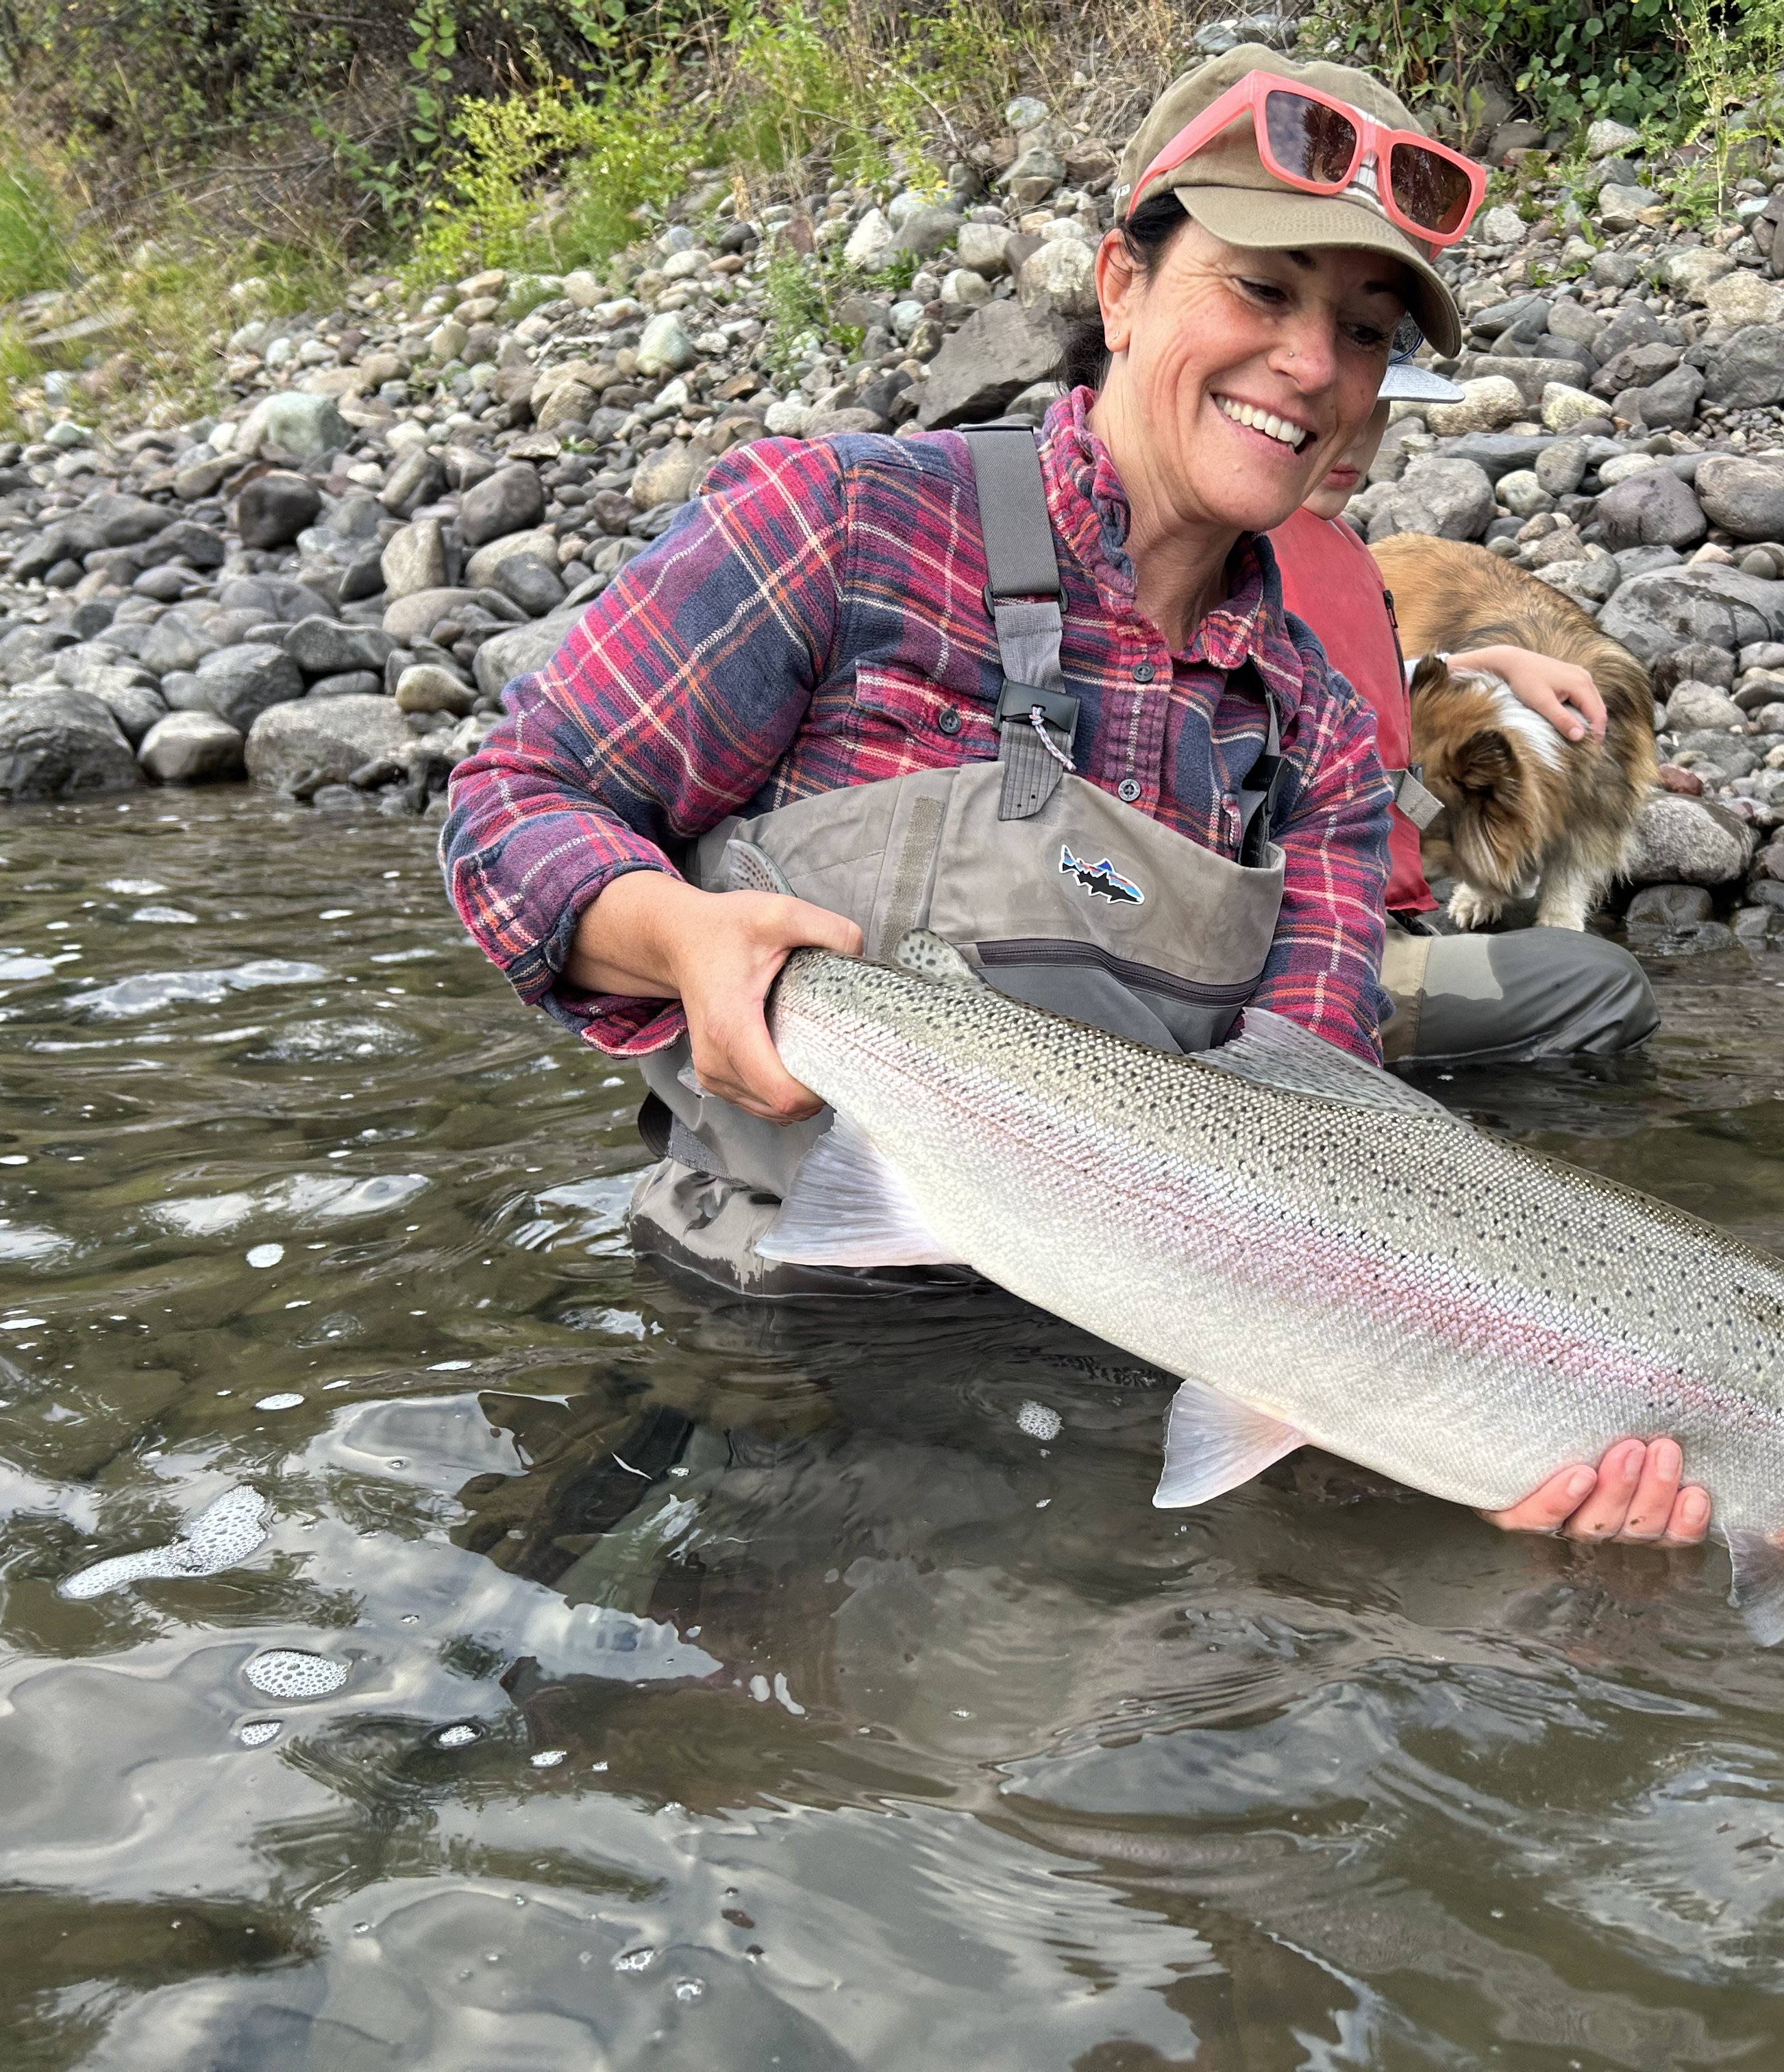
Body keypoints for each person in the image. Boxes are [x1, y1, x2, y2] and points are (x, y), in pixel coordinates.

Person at [441, 43, 1707, 1549]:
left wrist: (1484, 1423)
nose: (1313, 364)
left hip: (1113, 1342)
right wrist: (677, 938)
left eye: (1363, 330)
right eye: (1261, 291)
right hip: (765, 1319)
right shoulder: (842, 522)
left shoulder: (1311, 729)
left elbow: (1317, 1143)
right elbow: (510, 804)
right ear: (1121, 286)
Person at [1271, 351, 1660, 1068]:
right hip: (1281, 960)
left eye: (1376, 409)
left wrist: (1490, 663)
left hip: (1333, 919)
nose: (1360, 439)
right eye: (1332, 408)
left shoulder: (1338, 549)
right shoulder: (1248, 551)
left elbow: (1342, 684)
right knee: (1603, 987)